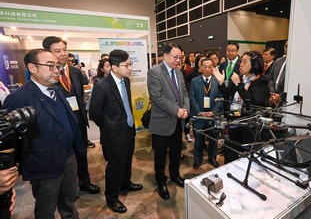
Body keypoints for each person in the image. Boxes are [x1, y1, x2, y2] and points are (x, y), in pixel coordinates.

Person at [3, 49, 84, 218]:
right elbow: (11, 141)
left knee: (69, 203)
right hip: (43, 165)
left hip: (69, 158)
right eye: (50, 66)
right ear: (32, 68)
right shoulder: (19, 98)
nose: (56, 70)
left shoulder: (58, 90)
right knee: (46, 210)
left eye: (57, 66)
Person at [42, 36, 100, 194]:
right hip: (59, 123)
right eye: (57, 51)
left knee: (81, 153)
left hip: (78, 120)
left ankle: (85, 182)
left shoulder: (74, 71)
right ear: (48, 53)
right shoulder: (45, 75)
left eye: (64, 49)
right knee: (64, 157)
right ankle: (67, 189)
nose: (63, 53)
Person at [89, 49, 143, 214]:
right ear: (113, 67)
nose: (130, 68)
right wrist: (109, 127)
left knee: (127, 159)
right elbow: (94, 114)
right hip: (113, 135)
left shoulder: (125, 81)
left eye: (130, 64)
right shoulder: (102, 87)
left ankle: (125, 183)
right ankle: (112, 197)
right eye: (126, 65)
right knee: (114, 166)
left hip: (128, 129)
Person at [147, 42, 190, 200]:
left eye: (180, 57)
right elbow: (157, 97)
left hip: (178, 122)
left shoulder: (179, 73)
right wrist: (176, 110)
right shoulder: (154, 72)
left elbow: (185, 93)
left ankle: (174, 175)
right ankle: (161, 181)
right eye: (175, 57)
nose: (178, 60)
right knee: (160, 155)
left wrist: (185, 109)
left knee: (176, 152)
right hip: (162, 123)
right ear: (164, 55)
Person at [213, 50, 270, 163]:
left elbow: (252, 102)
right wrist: (221, 82)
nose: (240, 64)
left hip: (248, 127)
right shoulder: (240, 77)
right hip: (234, 122)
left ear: (254, 64)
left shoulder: (261, 81)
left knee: (247, 159)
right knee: (230, 155)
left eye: (244, 62)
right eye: (241, 61)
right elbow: (227, 94)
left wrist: (239, 85)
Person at [189, 58, 222, 169]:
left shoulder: (218, 80)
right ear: (200, 68)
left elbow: (221, 98)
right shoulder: (195, 81)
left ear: (213, 68)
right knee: (198, 139)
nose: (207, 69)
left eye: (210, 67)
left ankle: (212, 157)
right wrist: (199, 112)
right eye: (205, 67)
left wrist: (213, 112)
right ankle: (197, 159)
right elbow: (192, 97)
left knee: (213, 138)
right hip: (200, 115)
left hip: (213, 115)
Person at [268, 40, 287, 106]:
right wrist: (272, 93)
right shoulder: (278, 61)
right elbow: (270, 77)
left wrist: (280, 96)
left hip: (285, 99)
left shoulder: (296, 64)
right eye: (285, 46)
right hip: (273, 97)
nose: (286, 48)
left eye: (288, 46)